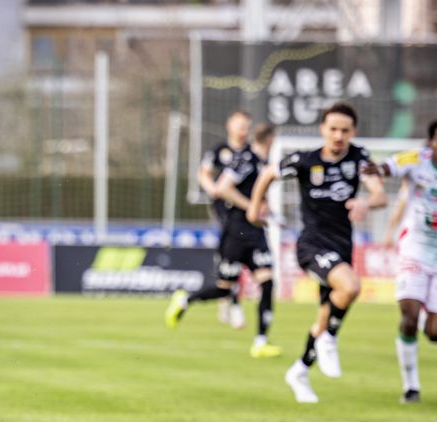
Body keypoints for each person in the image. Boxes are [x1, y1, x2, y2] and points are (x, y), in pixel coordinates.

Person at [248, 103, 386, 403]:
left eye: (344, 130)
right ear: (323, 129)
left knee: (327, 314)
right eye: (333, 129)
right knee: (351, 286)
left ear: (353, 132)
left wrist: (366, 202)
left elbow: (379, 193)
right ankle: (330, 339)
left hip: (342, 247)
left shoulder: (359, 158)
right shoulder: (305, 160)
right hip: (312, 245)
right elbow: (268, 173)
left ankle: (299, 371)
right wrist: (255, 206)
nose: (338, 136)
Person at [167, 123, 282, 359]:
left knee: (268, 282)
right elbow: (223, 188)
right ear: (271, 139)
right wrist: (252, 207)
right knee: (224, 289)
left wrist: (265, 210)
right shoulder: (245, 159)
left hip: (256, 233)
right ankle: (185, 299)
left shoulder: (262, 162)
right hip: (236, 233)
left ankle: (260, 342)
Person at [374, 119, 437, 403]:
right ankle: (411, 386)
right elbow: (387, 169)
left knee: (434, 333)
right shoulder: (417, 161)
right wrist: (373, 171)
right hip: (414, 249)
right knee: (408, 318)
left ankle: (427, 317)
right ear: (431, 141)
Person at [199, 111, 252, 330]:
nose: (243, 130)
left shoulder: (251, 153)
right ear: (229, 126)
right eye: (239, 125)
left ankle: (225, 297)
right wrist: (212, 188)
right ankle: (234, 304)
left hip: (246, 210)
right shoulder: (219, 151)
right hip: (226, 210)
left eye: (246, 126)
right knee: (232, 254)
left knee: (231, 257)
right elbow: (204, 173)